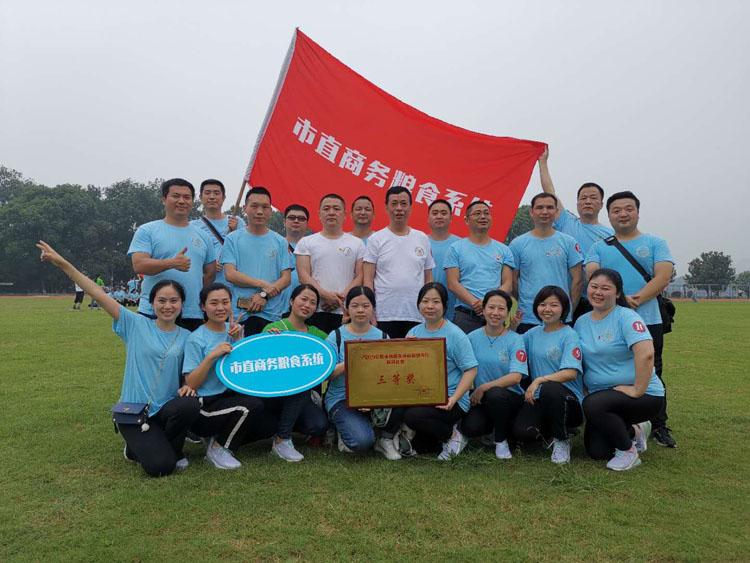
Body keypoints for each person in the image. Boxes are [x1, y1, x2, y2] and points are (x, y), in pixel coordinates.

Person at [37, 241, 199, 477]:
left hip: (166, 408)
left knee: (189, 405)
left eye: (174, 300)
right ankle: (135, 449)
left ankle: (171, 448)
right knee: (161, 467)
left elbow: (192, 371)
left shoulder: (187, 336)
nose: (168, 306)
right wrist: (62, 263)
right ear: (152, 303)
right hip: (135, 410)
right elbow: (96, 292)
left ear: (182, 304)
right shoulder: (135, 324)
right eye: (162, 300)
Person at [585, 190, 676, 448]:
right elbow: (592, 274)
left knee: (652, 370)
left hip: (648, 318)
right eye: (616, 210)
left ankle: (658, 425)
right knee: (610, 366)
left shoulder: (655, 242)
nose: (622, 214)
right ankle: (620, 419)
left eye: (628, 209)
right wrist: (618, 301)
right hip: (609, 321)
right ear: (609, 215)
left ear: (637, 212)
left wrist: (633, 301)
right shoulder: (598, 247)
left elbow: (663, 276)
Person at [575, 269, 665, 471]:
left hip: (643, 396)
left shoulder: (627, 318)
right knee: (597, 451)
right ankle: (635, 430)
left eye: (605, 288)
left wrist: (638, 390)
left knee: (593, 405)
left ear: (617, 294)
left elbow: (646, 354)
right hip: (603, 396)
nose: (598, 292)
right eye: (594, 287)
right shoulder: (581, 322)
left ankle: (629, 452)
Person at [182, 283, 264, 470]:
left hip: (229, 397)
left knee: (266, 419)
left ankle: (219, 436)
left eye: (225, 302)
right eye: (214, 303)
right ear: (203, 307)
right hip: (205, 405)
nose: (220, 308)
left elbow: (246, 373)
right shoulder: (196, 339)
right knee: (250, 407)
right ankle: (218, 449)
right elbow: (191, 383)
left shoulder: (235, 329)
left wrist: (238, 340)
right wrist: (211, 356)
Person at [325, 286, 405, 460]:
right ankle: (342, 429)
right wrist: (352, 359)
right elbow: (327, 374)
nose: (360, 310)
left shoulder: (383, 337)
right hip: (342, 398)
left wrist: (372, 399)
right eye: (354, 306)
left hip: (376, 395)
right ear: (347, 308)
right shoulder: (336, 336)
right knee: (361, 442)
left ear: (373, 309)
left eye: (366, 306)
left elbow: (390, 374)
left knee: (405, 393)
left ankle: (385, 438)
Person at [129, 178, 216, 331]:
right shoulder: (148, 230)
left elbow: (210, 274)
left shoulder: (204, 236)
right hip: (153, 312)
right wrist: (171, 263)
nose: (181, 201)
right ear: (164, 199)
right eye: (176, 196)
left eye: (187, 197)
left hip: (192, 314)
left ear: (192, 202)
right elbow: (139, 265)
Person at [403, 283, 478, 460]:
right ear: (418, 305)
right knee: (422, 446)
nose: (430, 306)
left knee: (413, 416)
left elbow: (471, 370)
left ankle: (454, 436)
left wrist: (454, 398)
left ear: (445, 306)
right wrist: (406, 349)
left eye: (436, 302)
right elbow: (407, 370)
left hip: (450, 398)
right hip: (423, 395)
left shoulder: (456, 335)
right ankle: (432, 436)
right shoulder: (414, 332)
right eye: (425, 301)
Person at [538, 147, 614, 321]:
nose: (588, 201)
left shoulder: (610, 236)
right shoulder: (566, 222)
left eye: (593, 198)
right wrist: (542, 162)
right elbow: (550, 192)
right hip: (566, 297)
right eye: (583, 198)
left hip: (596, 300)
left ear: (601, 204)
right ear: (577, 203)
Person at [256, 284, 329, 461]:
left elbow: (332, 356)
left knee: (319, 425)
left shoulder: (318, 335)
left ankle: (286, 426)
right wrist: (269, 342)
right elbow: (262, 362)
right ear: (291, 301)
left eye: (313, 303)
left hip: (301, 396)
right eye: (303, 299)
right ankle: (282, 439)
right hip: (274, 395)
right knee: (299, 381)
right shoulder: (273, 328)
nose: (307, 305)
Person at [514, 286, 584, 464]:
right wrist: (513, 327)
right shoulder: (533, 333)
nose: (547, 309)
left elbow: (571, 372)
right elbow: (513, 346)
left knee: (550, 389)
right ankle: (552, 431)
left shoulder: (569, 335)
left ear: (564, 308)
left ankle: (562, 440)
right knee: (524, 432)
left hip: (568, 400)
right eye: (543, 304)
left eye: (554, 305)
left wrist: (540, 380)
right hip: (539, 398)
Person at [462, 290, 528, 459]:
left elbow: (516, 377)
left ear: (507, 313)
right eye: (491, 307)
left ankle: (501, 440)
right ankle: (491, 430)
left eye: (501, 309)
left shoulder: (515, 339)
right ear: (483, 310)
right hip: (481, 399)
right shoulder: (471, 338)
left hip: (509, 398)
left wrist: (484, 387)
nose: (495, 313)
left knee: (496, 393)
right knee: (471, 428)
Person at [363, 186, 435, 338]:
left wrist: (429, 307)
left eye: (403, 204)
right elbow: (368, 280)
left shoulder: (422, 238)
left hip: (417, 314)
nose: (399, 209)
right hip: (384, 314)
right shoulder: (376, 239)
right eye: (394, 204)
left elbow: (428, 279)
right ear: (386, 208)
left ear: (410, 208)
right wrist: (370, 310)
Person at [222, 187, 293, 337]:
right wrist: (262, 284)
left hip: (271, 315)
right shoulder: (233, 239)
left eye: (265, 207)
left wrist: (263, 295)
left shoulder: (280, 241)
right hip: (240, 313)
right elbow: (230, 274)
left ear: (270, 211)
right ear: (245, 208)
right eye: (254, 206)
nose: (259, 211)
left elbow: (286, 278)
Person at [509, 193, 583, 334]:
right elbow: (513, 282)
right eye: (539, 208)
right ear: (531, 212)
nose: (544, 212)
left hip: (560, 317)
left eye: (549, 207)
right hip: (527, 317)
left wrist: (568, 310)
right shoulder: (517, 244)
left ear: (556, 212)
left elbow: (578, 280)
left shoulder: (568, 242)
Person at [295, 194, 364, 334]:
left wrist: (340, 298)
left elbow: (360, 276)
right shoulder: (306, 242)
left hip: (346, 311)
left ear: (345, 215)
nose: (331, 212)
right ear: (319, 214)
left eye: (336, 209)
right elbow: (303, 275)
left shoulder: (357, 243)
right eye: (326, 209)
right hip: (315, 309)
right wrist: (324, 295)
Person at [445, 200, 515, 334]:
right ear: (467, 220)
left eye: (486, 213)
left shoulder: (504, 250)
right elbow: (453, 283)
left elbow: (507, 283)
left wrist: (489, 303)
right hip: (466, 314)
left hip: (495, 316)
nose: (483, 216)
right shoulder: (455, 248)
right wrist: (476, 303)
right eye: (477, 213)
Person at [190, 179, 246, 286]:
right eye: (207, 193)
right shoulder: (193, 227)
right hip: (205, 285)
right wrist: (208, 265)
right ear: (200, 197)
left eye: (216, 193)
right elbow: (190, 257)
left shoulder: (237, 222)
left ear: (223, 198)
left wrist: (235, 232)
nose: (212, 197)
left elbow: (246, 252)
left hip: (232, 285)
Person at [426, 199, 460, 321]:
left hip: (454, 308)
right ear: (428, 218)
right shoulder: (420, 242)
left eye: (444, 213)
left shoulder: (460, 244)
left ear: (451, 218)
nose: (439, 216)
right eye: (435, 213)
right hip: (426, 307)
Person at [278, 204, 310, 315]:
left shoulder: (314, 248)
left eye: (301, 218)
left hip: (306, 309)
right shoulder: (275, 245)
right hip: (278, 308)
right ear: (284, 221)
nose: (296, 221)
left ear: (307, 223)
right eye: (292, 218)